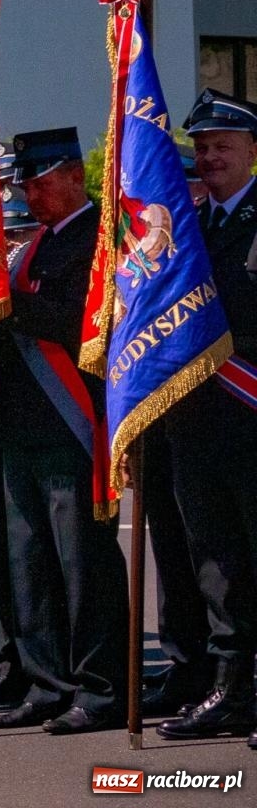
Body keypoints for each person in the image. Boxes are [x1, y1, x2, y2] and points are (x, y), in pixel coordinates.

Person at [0, 127, 127, 735]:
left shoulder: (103, 239)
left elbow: (83, 321)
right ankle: (47, 681)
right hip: (21, 422)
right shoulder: (30, 249)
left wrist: (4, 301)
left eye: (40, 183)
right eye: (25, 184)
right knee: (29, 564)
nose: (30, 195)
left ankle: (101, 688)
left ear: (74, 175)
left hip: (75, 421)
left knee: (82, 564)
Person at [157, 91, 257, 744]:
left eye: (223, 145)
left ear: (253, 151)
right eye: (203, 145)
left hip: (251, 422)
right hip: (197, 428)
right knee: (218, 565)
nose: (211, 156)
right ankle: (232, 690)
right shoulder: (191, 227)